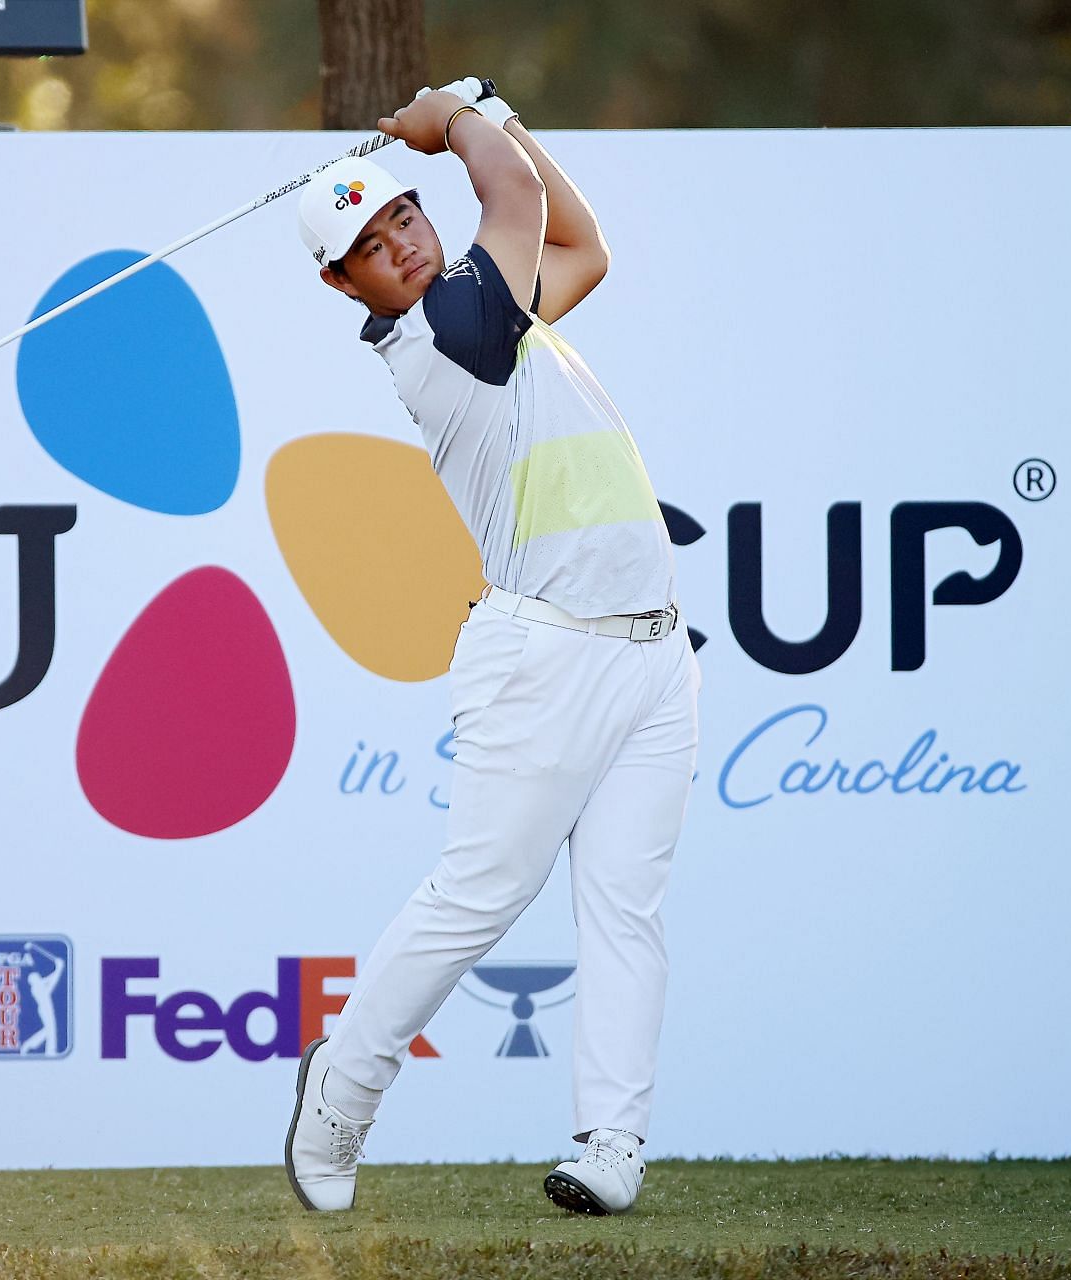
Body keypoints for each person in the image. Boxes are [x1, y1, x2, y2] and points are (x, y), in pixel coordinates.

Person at [284, 79, 701, 1217]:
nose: (401, 247)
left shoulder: (502, 313)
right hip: (543, 656)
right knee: (480, 894)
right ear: (345, 285)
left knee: (626, 903)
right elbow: (511, 198)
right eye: (370, 247)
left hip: (655, 655)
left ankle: (611, 1138)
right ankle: (344, 1084)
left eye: (405, 218)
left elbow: (583, 244)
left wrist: (497, 116)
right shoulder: (446, 335)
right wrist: (454, 120)